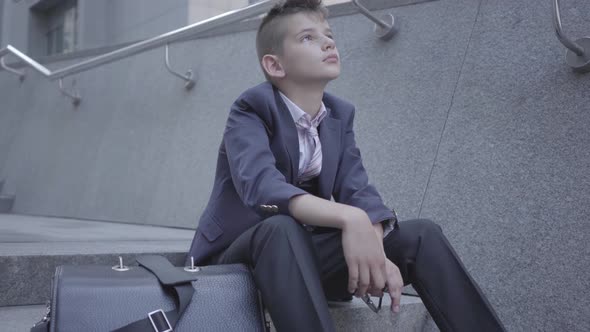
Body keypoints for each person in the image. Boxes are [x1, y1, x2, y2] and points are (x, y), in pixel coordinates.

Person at [187, 1, 506, 331]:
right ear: (275, 65)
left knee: (421, 235)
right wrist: (349, 218)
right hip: (237, 262)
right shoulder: (251, 109)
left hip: (303, 262)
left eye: (329, 35)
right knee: (282, 228)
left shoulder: (338, 115)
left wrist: (373, 241)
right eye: (308, 38)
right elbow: (262, 187)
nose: (328, 42)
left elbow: (360, 192)